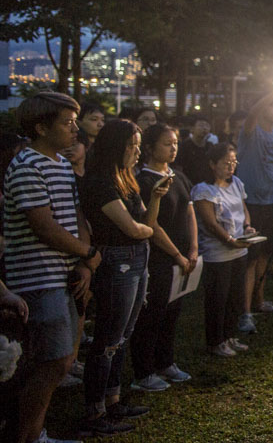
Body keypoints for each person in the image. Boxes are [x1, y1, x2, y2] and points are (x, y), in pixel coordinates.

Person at [3, 93, 99, 443]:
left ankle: (34, 433)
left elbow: (75, 215)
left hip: (65, 274)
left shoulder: (59, 164)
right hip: (37, 277)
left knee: (62, 359)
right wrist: (88, 251)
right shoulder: (28, 165)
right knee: (51, 362)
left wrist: (85, 262)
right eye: (67, 122)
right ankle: (24, 435)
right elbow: (43, 226)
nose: (75, 128)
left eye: (76, 121)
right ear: (41, 127)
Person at [79, 119, 161, 437]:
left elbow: (145, 220)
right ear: (117, 146)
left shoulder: (126, 179)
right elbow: (132, 227)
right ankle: (94, 411)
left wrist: (154, 199)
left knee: (124, 334)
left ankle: (113, 400)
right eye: (133, 145)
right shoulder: (99, 182)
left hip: (137, 257)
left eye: (139, 145)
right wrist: (147, 230)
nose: (138, 152)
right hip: (117, 259)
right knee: (108, 339)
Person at [130, 124, 199, 393]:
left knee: (172, 312)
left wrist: (193, 248)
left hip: (184, 255)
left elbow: (189, 211)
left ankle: (165, 361)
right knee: (152, 315)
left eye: (175, 143)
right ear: (149, 147)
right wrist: (177, 254)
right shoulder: (144, 181)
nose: (173, 148)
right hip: (159, 258)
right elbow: (152, 224)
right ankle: (143, 371)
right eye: (166, 144)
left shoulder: (178, 176)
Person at [191, 143, 255, 355]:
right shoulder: (203, 190)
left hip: (240, 248)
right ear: (212, 164)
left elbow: (243, 209)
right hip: (217, 252)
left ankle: (230, 336)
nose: (231, 167)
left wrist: (247, 227)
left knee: (235, 296)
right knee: (218, 297)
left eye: (234, 163)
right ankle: (215, 341)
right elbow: (210, 223)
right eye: (226, 163)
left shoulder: (236, 183)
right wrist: (228, 239)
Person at [234, 91, 273, 334]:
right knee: (250, 258)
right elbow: (252, 113)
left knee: (266, 255)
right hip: (251, 204)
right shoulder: (250, 132)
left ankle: (259, 301)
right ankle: (244, 313)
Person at [175, 115, 214, 186]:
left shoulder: (210, 147)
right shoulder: (184, 146)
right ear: (192, 129)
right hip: (188, 184)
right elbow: (178, 168)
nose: (204, 128)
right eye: (201, 125)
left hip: (206, 186)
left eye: (207, 126)